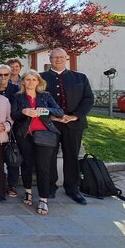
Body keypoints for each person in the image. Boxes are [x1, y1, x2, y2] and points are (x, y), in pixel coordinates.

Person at [40, 48, 94, 205]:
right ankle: (50, 186)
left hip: (74, 124)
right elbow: (36, 99)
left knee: (72, 156)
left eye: (61, 57)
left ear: (66, 59)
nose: (58, 60)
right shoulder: (41, 78)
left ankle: (72, 189)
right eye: (54, 57)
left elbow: (88, 99)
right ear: (50, 59)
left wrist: (75, 115)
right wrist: (49, 115)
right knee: (49, 156)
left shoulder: (80, 78)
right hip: (50, 123)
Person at [11, 70, 64, 215]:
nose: (30, 82)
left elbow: (59, 111)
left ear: (38, 81)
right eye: (27, 79)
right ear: (23, 82)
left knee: (43, 167)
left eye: (33, 79)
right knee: (27, 164)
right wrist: (24, 111)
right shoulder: (18, 96)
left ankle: (43, 199)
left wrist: (45, 110)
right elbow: (13, 114)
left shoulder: (45, 96)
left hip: (44, 134)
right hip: (25, 135)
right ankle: (28, 191)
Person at [0, 64, 19, 197]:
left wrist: (8, 124)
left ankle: (12, 185)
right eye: (0, 75)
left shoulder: (16, 90)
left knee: (12, 157)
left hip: (12, 129)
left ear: (10, 76)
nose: (3, 77)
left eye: (6, 75)